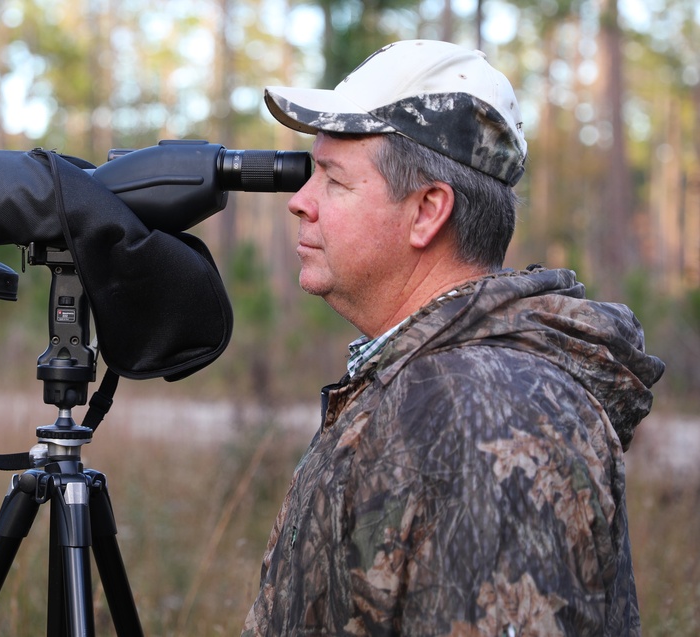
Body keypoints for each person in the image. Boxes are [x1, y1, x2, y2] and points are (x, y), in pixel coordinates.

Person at [242, 40, 665, 636]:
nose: (300, 203)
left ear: (426, 211)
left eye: (333, 181)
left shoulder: (486, 416)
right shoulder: (433, 383)